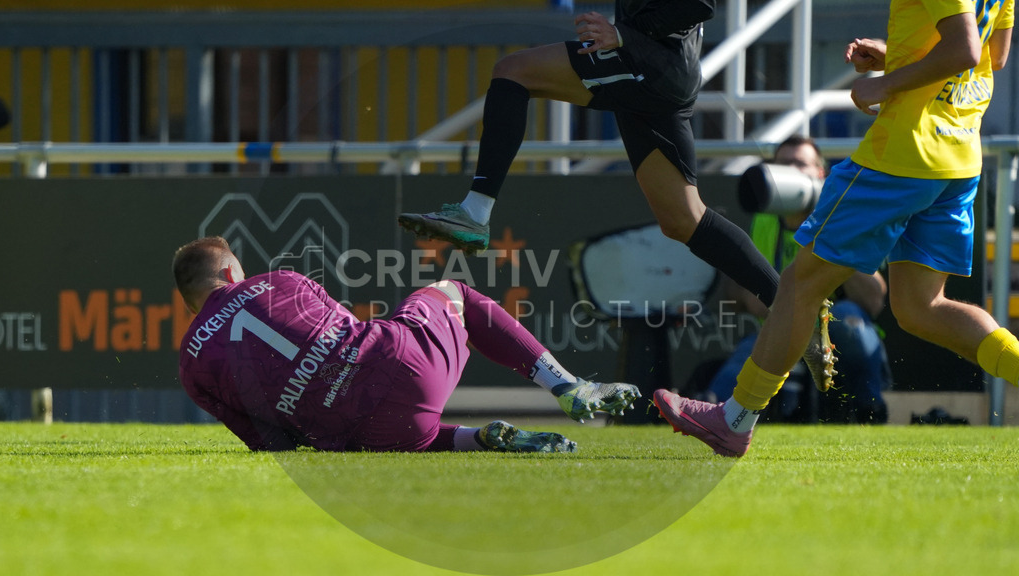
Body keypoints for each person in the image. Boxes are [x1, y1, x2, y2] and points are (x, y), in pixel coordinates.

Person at [396, 2, 835, 391]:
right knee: (684, 219)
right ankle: (798, 316)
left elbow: (699, 4)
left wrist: (624, 35)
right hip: (656, 70)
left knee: (514, 71)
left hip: (648, 64)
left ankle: (476, 212)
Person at [655, 0, 1015, 457]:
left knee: (800, 285)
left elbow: (964, 50)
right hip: (958, 158)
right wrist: (899, 57)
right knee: (921, 308)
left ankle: (733, 419)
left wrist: (885, 83)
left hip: (903, 153)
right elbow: (992, 55)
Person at [173, 236, 640, 453]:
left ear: (192, 306)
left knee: (370, 426)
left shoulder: (191, 368)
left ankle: (477, 443)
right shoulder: (280, 279)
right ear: (233, 272)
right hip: (403, 368)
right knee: (453, 291)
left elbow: (271, 443)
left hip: (359, 434)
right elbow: (342, 335)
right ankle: (568, 386)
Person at [706, 135, 892, 424]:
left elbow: (874, 299)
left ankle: (870, 410)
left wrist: (833, 233)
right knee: (746, 358)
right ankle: (714, 413)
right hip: (779, 328)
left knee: (850, 318)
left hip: (839, 330)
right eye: (784, 164)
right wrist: (757, 299)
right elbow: (733, 296)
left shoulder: (844, 214)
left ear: (821, 174)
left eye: (800, 164)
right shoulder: (764, 219)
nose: (791, 171)